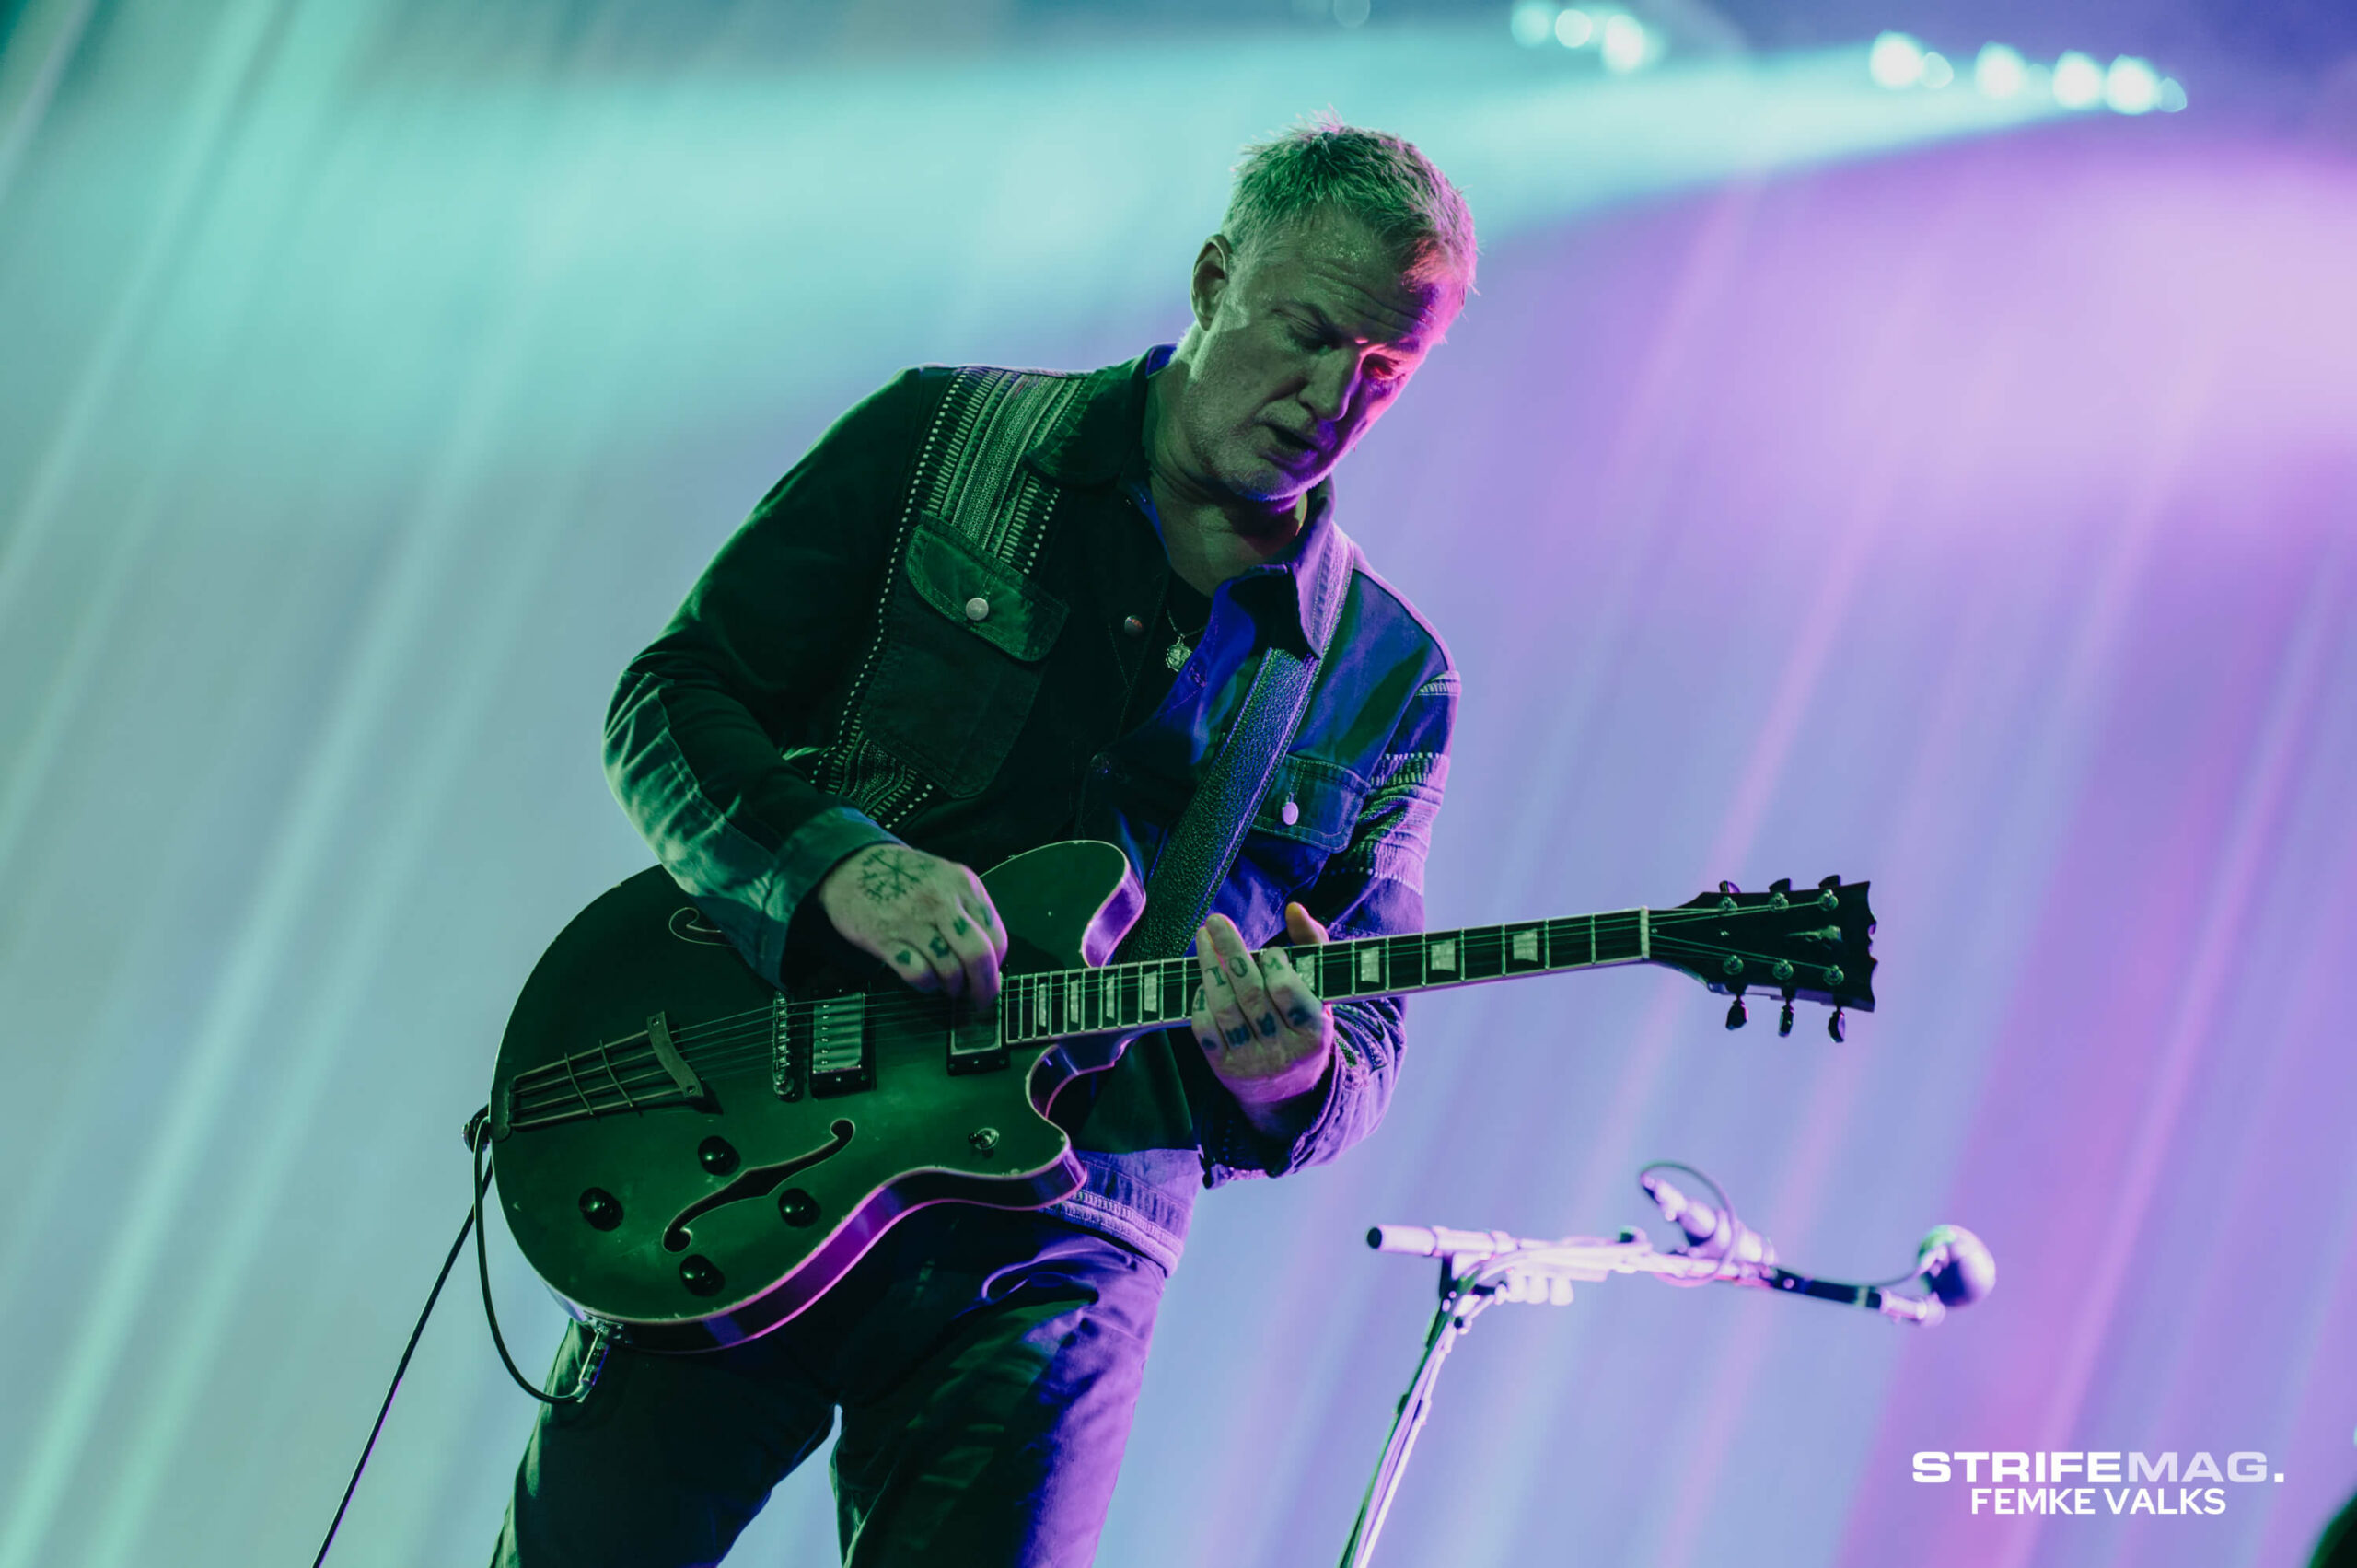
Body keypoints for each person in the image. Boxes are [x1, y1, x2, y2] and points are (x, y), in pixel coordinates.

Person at [494, 115, 1475, 1568]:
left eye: (1385, 373)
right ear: (1214, 279)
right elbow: (672, 700)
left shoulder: (1389, 676)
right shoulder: (943, 440)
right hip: (757, 1141)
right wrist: (838, 865)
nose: (1332, 393)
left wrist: (1294, 1070)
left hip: (1069, 1243)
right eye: (1311, 332)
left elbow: (1365, 1041)